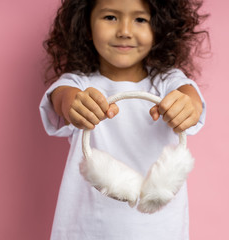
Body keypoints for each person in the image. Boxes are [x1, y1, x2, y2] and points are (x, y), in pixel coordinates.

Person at [39, 0, 209, 239]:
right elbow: (63, 99)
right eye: (110, 17)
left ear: (158, 28)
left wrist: (185, 104)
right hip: (87, 227)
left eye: (140, 19)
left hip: (158, 227)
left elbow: (190, 98)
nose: (125, 31)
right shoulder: (77, 84)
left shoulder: (168, 82)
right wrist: (75, 104)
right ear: (86, 25)